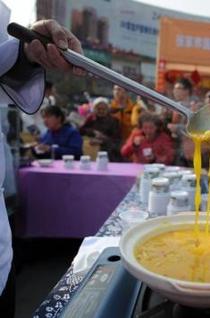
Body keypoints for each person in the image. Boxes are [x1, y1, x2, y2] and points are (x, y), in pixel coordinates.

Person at [0, 17, 84, 317]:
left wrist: (26, 53)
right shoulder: (48, 133)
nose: (46, 123)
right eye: (44, 118)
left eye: (49, 118)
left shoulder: (70, 132)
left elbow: (5, 66)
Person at [79, 97, 121, 161]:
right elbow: (81, 131)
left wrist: (101, 141)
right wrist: (93, 132)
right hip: (91, 152)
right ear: (94, 109)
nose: (101, 111)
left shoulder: (114, 121)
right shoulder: (91, 118)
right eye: (98, 109)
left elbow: (116, 140)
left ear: (107, 109)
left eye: (103, 109)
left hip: (109, 153)